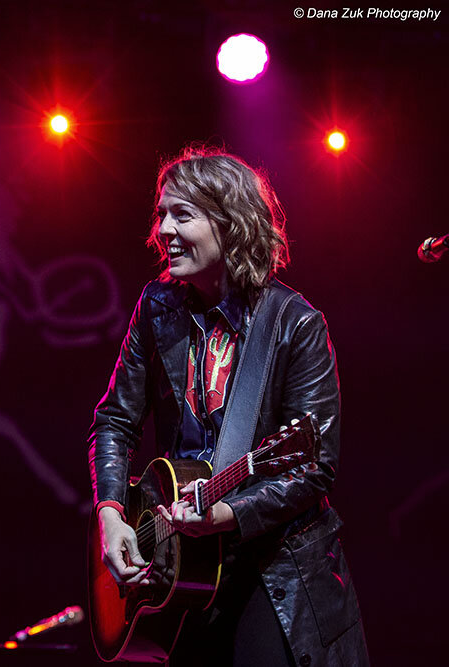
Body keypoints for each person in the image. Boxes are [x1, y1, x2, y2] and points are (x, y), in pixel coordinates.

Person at [88, 147, 368, 665]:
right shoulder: (157, 307)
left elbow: (313, 467)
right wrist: (111, 513)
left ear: (231, 224)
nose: (163, 230)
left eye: (183, 215)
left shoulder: (295, 324)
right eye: (162, 214)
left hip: (275, 570)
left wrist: (225, 512)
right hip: (184, 567)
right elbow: (115, 420)